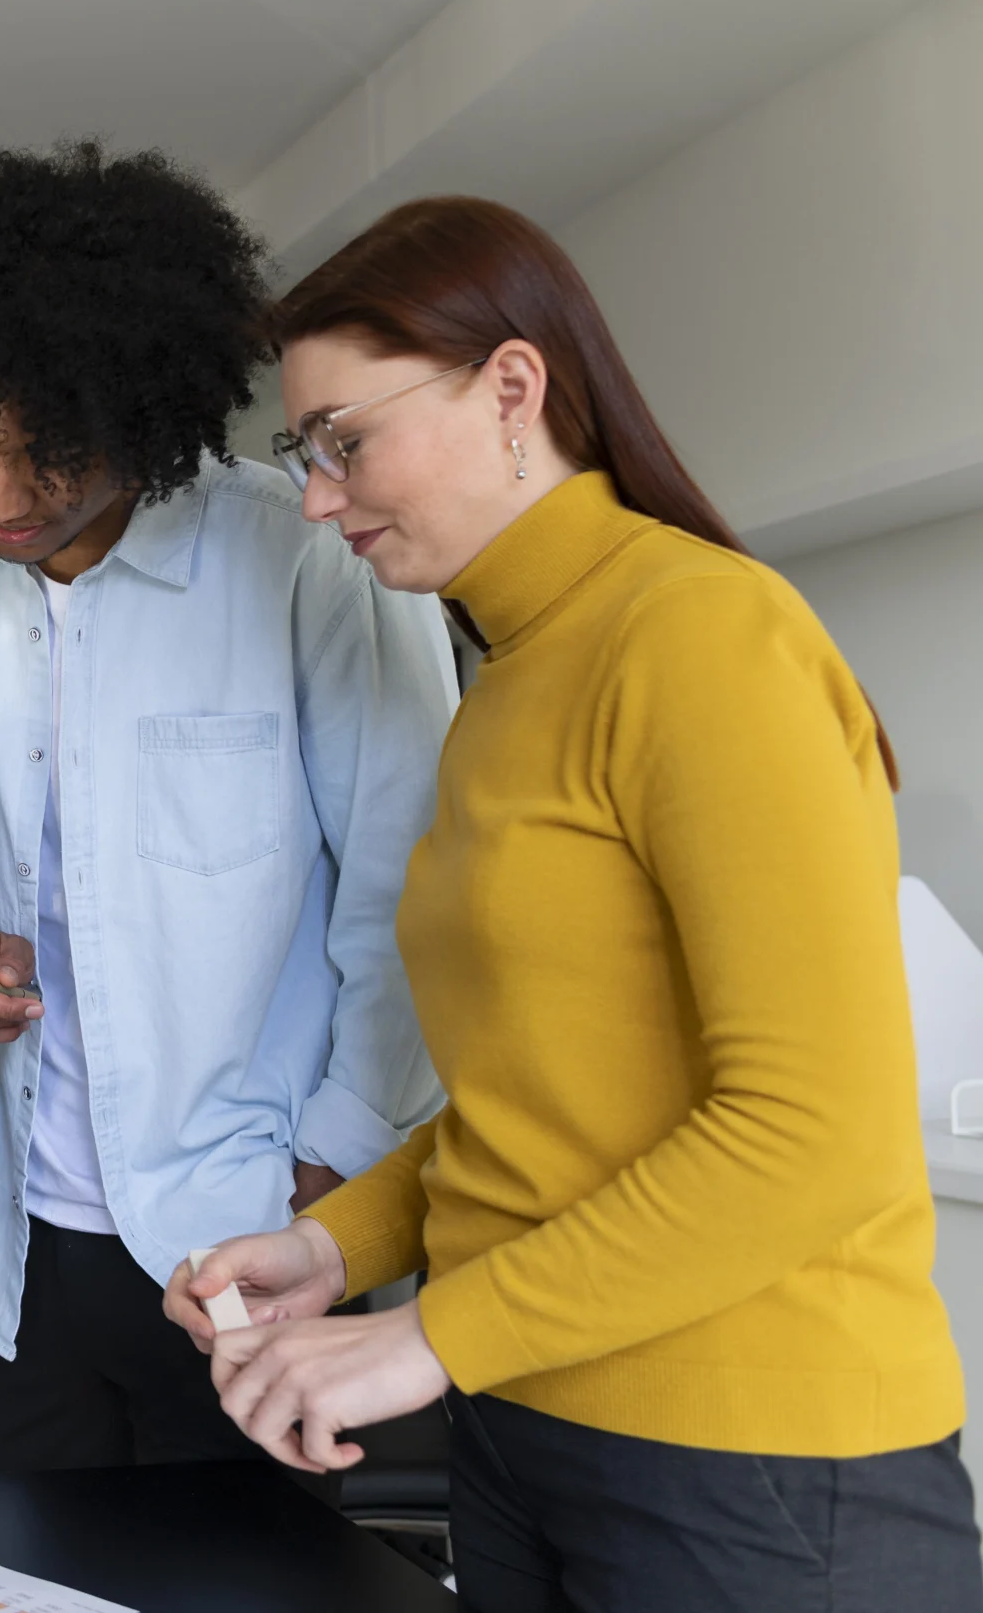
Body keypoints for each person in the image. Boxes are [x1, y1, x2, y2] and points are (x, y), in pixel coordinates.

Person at [168, 196, 981, 1611]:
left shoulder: (705, 634)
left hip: (750, 1463)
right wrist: (332, 1244)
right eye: (305, 453)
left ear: (513, 388)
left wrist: (426, 1334)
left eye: (344, 441)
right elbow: (538, 1101)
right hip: (531, 1426)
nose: (316, 494)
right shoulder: (511, 676)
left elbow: (814, 1135)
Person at [0, 141, 455, 1473]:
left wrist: (340, 1156)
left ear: (146, 410)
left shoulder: (305, 555)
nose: (0, 495)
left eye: (51, 453)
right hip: (11, 1239)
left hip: (253, 1218)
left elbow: (408, 871)